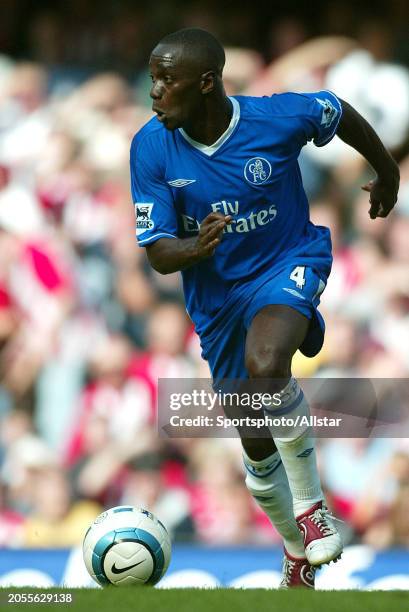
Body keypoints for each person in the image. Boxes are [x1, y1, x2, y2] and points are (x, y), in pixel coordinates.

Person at [129, 28, 400, 588]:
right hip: (218, 301)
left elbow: (337, 111)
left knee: (268, 363)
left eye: (166, 80)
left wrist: (388, 169)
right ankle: (295, 549)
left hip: (287, 261)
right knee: (254, 439)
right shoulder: (150, 146)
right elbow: (157, 254)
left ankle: (312, 506)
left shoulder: (275, 118)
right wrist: (195, 247)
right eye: (153, 79)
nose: (154, 92)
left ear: (206, 84)